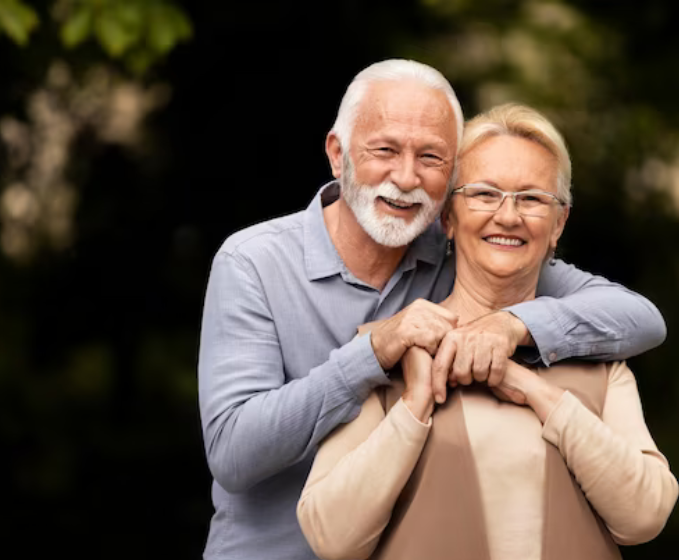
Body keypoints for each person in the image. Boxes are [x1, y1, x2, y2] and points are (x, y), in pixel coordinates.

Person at [198, 59, 667, 560]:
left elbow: (639, 318)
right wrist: (371, 354)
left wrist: (511, 326)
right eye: (385, 150)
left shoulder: (467, 248)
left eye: (431, 157)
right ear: (338, 154)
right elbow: (233, 453)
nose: (406, 177)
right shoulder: (253, 261)